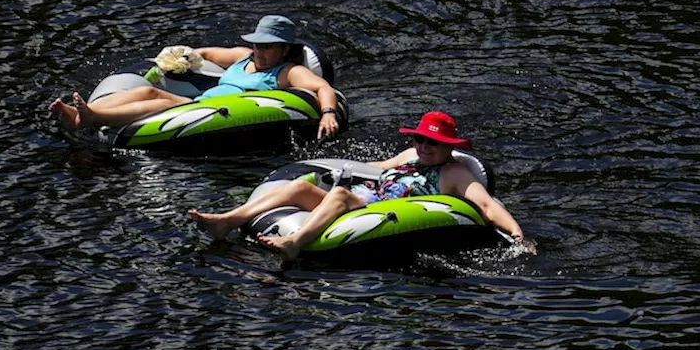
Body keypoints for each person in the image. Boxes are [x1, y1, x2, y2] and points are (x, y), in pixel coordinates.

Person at [188, 111, 531, 260]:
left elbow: (487, 206)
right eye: (421, 140)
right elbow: (372, 169)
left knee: (338, 195)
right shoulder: (409, 156)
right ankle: (227, 221)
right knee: (298, 188)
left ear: (449, 147)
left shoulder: (455, 173)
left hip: (385, 213)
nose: (425, 147)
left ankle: (295, 243)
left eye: (433, 144)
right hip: (366, 199)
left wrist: (518, 237)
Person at [48, 15, 342, 140]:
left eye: (266, 46)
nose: (259, 50)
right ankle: (87, 113)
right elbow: (209, 54)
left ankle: (91, 117)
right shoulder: (244, 57)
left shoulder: (287, 72)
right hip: (201, 102)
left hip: (221, 114)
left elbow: (321, 87)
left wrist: (328, 112)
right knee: (148, 92)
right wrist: (183, 57)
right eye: (256, 43)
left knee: (155, 100)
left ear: (283, 49)